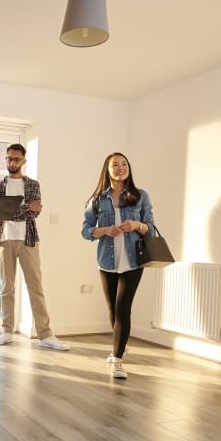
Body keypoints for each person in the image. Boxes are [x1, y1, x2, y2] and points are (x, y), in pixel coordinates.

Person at [0, 143, 69, 351]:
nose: (11, 162)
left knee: (35, 287)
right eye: (8, 158)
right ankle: (6, 331)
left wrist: (11, 209)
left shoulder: (33, 185)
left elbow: (35, 212)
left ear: (24, 160)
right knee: (7, 288)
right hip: (4, 240)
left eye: (16, 159)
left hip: (28, 240)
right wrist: (23, 208)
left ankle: (45, 335)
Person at [82, 152, 154, 378]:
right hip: (107, 260)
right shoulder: (97, 199)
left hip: (133, 260)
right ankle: (120, 343)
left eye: (124, 164)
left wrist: (136, 224)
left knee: (123, 308)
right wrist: (103, 230)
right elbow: (85, 230)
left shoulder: (140, 196)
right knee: (113, 310)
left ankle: (117, 358)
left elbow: (151, 228)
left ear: (129, 169)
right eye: (115, 165)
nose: (120, 168)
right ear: (108, 169)